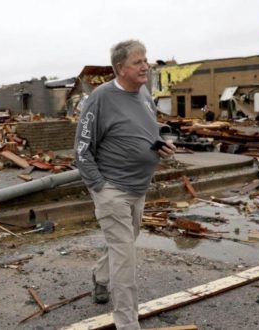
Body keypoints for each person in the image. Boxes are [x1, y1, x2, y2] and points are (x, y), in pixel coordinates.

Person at [74, 39, 176, 330]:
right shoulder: (100, 99)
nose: (146, 66)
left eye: (146, 59)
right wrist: (100, 189)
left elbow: (148, 127)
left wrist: (162, 143)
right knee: (126, 261)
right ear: (120, 68)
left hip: (138, 187)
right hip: (112, 191)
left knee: (125, 245)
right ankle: (127, 324)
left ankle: (100, 277)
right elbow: (81, 150)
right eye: (138, 62)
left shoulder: (144, 92)